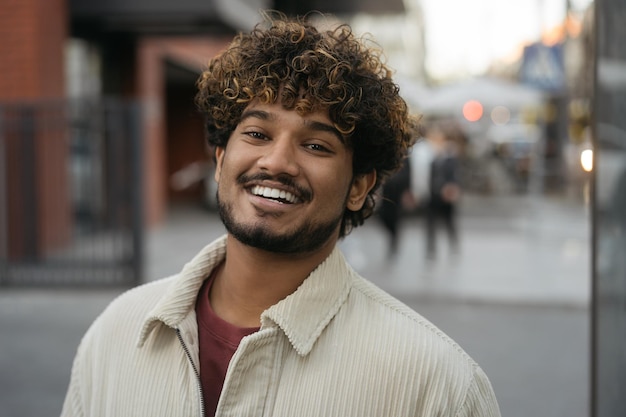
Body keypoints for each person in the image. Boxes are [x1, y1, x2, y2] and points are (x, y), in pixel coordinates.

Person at [61, 13, 500, 417]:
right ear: (219, 161)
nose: (276, 162)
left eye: (316, 145)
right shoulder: (114, 335)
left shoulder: (436, 385)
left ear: (359, 186)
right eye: (256, 133)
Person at [424, 121, 462, 260]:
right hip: (433, 194)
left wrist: (452, 188)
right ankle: (430, 249)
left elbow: (454, 174)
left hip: (446, 194)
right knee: (431, 224)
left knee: (449, 222)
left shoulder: (449, 155)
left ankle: (454, 247)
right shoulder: (431, 154)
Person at [377, 156, 412, 258]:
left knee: (395, 219)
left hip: (398, 193)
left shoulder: (406, 156)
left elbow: (407, 174)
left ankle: (394, 241)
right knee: (383, 215)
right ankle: (393, 234)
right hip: (386, 192)